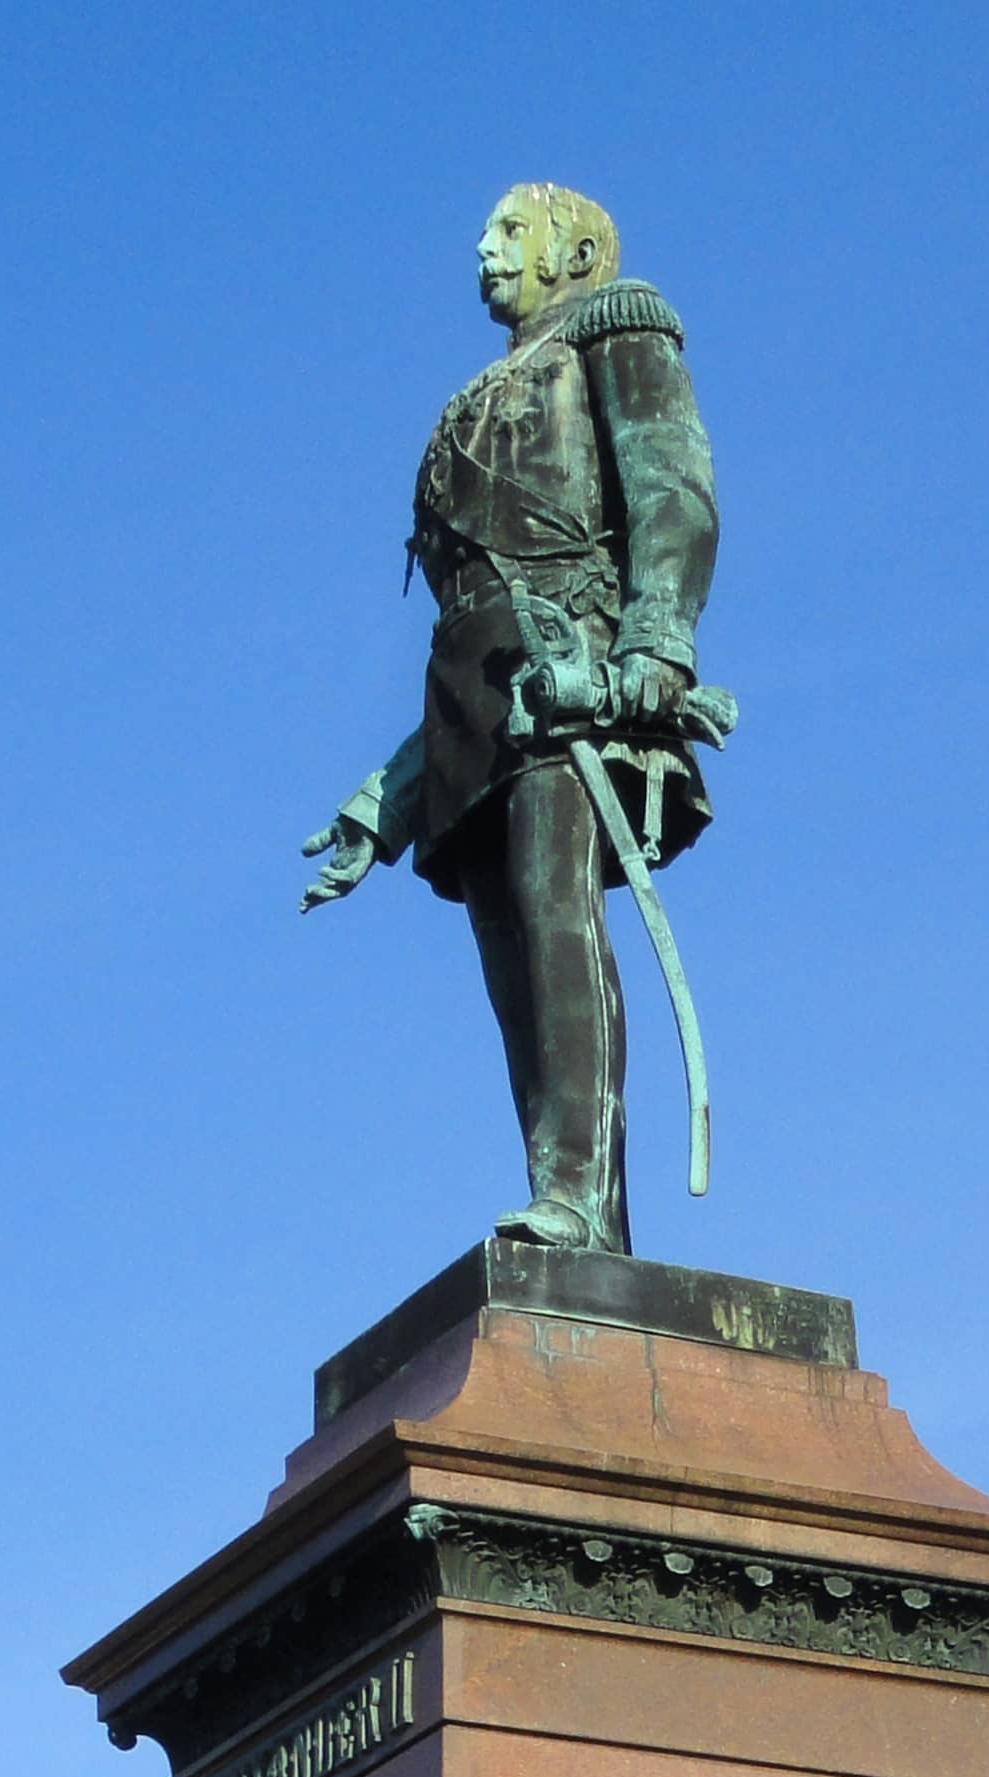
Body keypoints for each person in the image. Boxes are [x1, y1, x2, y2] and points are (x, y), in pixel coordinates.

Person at [303, 184, 720, 1251]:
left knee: (555, 920)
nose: (484, 249)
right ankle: (581, 1213)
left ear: (572, 247)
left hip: (572, 671)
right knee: (514, 977)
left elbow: (674, 495)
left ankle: (578, 1197)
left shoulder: (615, 324)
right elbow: (472, 626)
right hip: (475, 707)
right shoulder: (474, 398)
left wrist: (653, 642)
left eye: (508, 233)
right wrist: (381, 804)